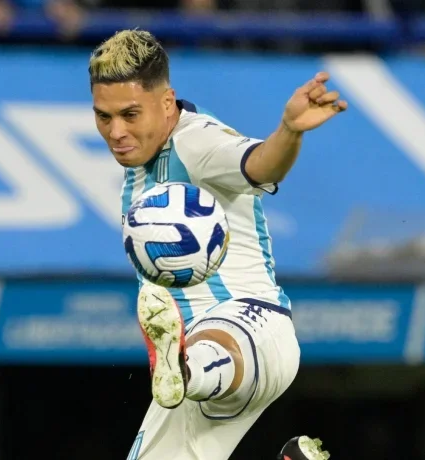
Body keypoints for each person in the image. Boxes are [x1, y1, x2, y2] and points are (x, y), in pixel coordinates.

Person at [89, 30, 345, 460]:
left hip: (251, 331)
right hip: (193, 387)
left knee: (207, 347)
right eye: (103, 116)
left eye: (130, 114)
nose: (115, 131)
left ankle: (187, 369)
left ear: (166, 103)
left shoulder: (196, 141)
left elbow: (259, 164)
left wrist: (289, 132)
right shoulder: (141, 160)